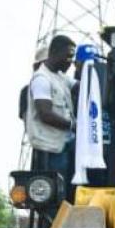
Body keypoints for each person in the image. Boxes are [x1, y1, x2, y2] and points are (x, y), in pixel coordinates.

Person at [29, 35, 77, 181]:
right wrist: (73, 125)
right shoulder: (42, 79)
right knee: (57, 194)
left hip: (64, 144)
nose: (71, 62)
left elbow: (80, 86)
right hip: (50, 150)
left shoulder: (60, 77)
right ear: (55, 52)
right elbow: (45, 114)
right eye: (68, 56)